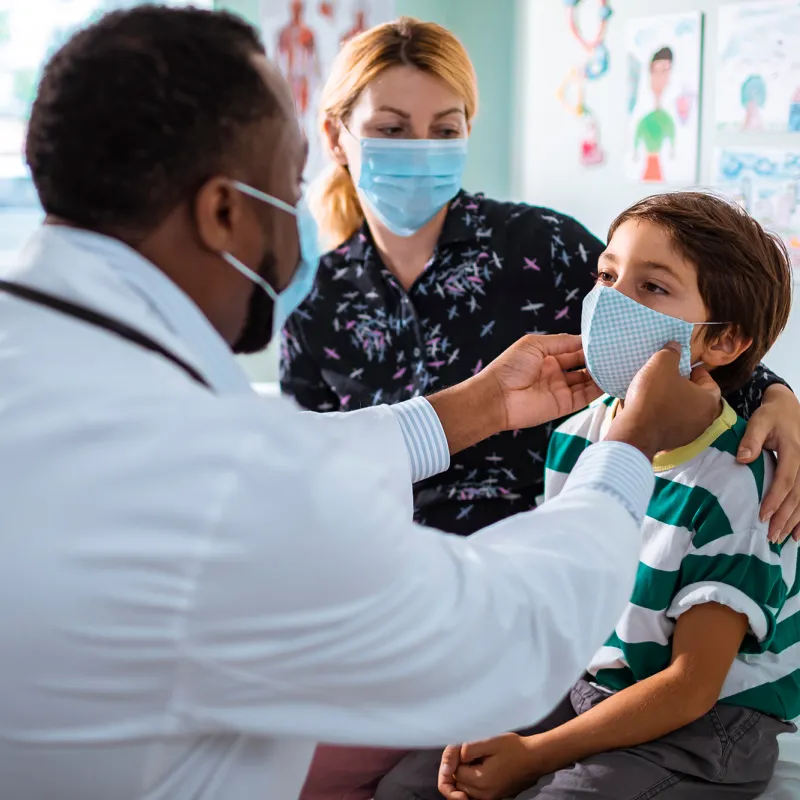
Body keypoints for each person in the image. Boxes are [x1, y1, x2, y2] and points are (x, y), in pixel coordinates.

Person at [0, 7, 722, 800]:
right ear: (223, 212)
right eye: (290, 174)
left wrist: (469, 409)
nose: (304, 204)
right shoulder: (217, 473)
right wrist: (626, 450)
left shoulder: (53, 365)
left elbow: (293, 459)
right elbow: (509, 640)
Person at [281, 18, 800, 798]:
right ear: (337, 134)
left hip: (536, 599)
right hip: (399, 607)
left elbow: (696, 349)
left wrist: (783, 398)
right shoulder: (316, 304)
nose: (419, 149)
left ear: (468, 132)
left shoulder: (544, 249)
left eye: (443, 128)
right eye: (391, 129)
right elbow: (305, 483)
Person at [375, 192, 798, 800]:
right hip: (595, 686)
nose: (610, 300)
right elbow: (559, 600)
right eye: (606, 274)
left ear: (724, 341)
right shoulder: (578, 436)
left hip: (707, 727)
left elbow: (691, 686)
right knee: (415, 783)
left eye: (653, 288)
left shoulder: (735, 483)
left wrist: (534, 754)